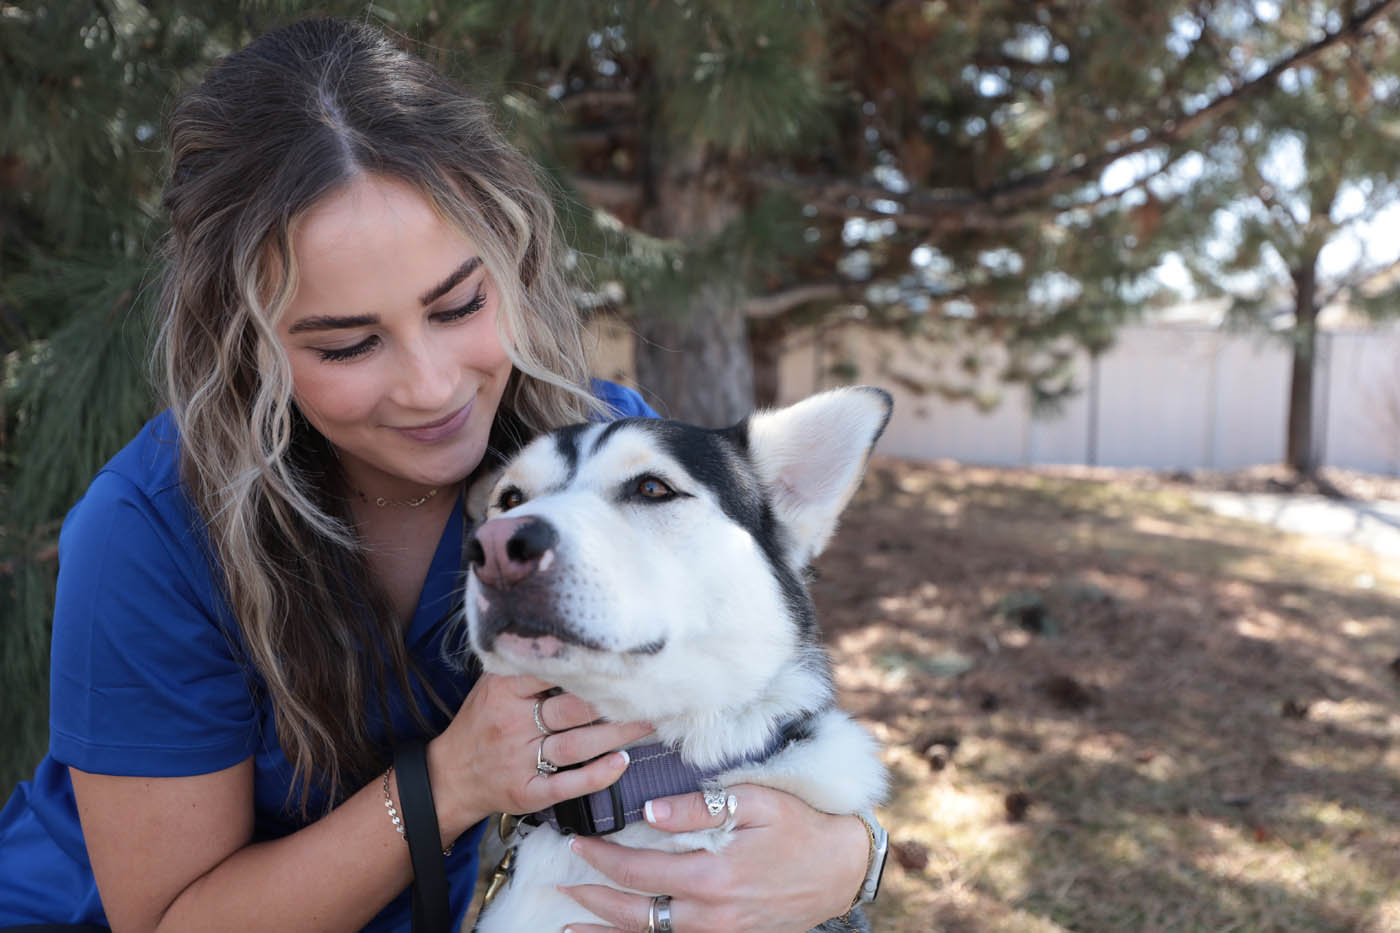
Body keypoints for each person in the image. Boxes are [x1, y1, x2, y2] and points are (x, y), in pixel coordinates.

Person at [0, 18, 877, 933]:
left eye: (459, 304)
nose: (430, 387)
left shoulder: (600, 448)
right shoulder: (148, 529)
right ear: (246, 345)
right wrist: (451, 783)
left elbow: (744, 699)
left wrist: (848, 858)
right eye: (348, 342)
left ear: (514, 258)